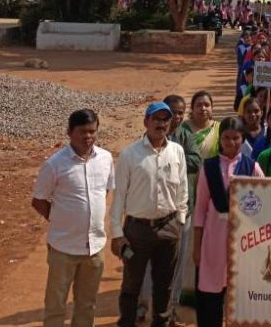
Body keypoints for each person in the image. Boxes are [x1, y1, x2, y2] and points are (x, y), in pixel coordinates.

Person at [32, 109, 114, 327]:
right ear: (69, 132)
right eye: (82, 132)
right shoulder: (55, 164)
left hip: (94, 248)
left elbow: (104, 191)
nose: (88, 136)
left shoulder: (105, 159)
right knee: (56, 305)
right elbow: (38, 200)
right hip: (63, 248)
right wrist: (61, 219)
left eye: (92, 131)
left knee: (87, 304)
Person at [111, 102, 189, 327]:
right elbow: (119, 196)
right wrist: (117, 234)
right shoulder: (130, 154)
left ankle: (161, 323)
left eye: (166, 119)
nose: (161, 124)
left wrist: (180, 219)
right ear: (146, 122)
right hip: (137, 230)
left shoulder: (177, 151)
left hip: (169, 228)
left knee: (164, 284)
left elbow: (183, 188)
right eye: (156, 119)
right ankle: (127, 322)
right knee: (131, 285)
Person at [193, 118, 264, 327]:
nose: (230, 143)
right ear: (220, 138)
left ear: (242, 139)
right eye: (226, 138)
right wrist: (197, 247)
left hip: (244, 242)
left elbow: (264, 202)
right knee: (211, 293)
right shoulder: (209, 167)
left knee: (240, 294)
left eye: (235, 138)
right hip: (213, 240)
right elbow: (200, 209)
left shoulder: (252, 167)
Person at [137, 95, 202, 327]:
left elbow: (196, 161)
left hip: (180, 211)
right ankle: (142, 308)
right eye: (173, 112)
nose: (176, 117)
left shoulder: (186, 137)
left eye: (181, 113)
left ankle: (171, 311)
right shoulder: (147, 140)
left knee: (177, 266)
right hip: (151, 213)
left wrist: (174, 159)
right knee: (147, 265)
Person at [182, 91, 220, 159]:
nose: (203, 108)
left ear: (212, 108)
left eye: (207, 105)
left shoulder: (219, 128)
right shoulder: (182, 128)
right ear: (192, 109)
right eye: (199, 105)